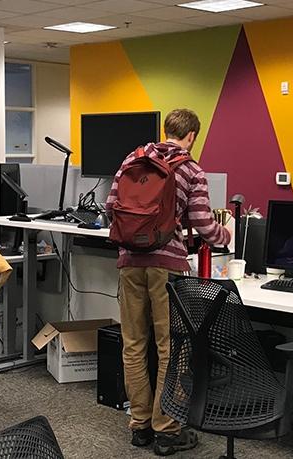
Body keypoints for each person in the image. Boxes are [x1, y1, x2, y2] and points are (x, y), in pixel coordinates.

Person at [106, 109, 231, 456]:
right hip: (168, 266)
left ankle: (140, 426)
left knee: (133, 344)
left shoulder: (133, 158)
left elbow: (110, 206)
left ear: (166, 131)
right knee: (171, 348)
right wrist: (227, 233)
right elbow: (204, 224)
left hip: (129, 263)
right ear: (191, 135)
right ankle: (166, 428)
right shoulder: (191, 169)